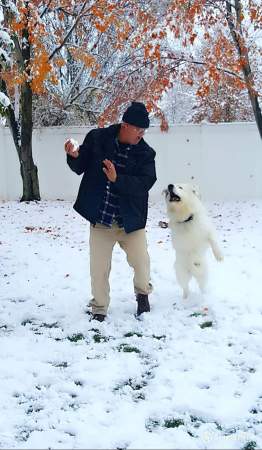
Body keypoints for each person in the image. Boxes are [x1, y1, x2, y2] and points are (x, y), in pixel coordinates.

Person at [65, 102, 157, 322]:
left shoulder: (145, 153)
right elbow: (80, 166)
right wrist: (74, 155)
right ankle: (99, 309)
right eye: (138, 129)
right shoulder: (98, 138)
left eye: (144, 130)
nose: (141, 134)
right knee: (98, 269)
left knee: (141, 263)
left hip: (130, 221)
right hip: (101, 220)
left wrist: (118, 179)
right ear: (125, 125)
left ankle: (142, 295)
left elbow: (145, 183)